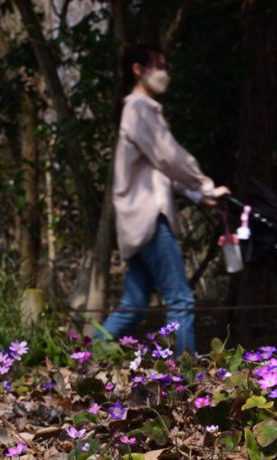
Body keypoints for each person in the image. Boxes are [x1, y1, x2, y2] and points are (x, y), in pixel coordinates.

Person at [97, 43, 229, 355]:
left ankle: (85, 358)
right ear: (138, 70)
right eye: (160, 67)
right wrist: (206, 186)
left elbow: (161, 172)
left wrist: (198, 196)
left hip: (134, 223)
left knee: (135, 305)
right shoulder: (139, 109)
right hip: (150, 218)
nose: (165, 75)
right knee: (180, 299)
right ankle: (185, 377)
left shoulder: (137, 110)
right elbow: (170, 157)